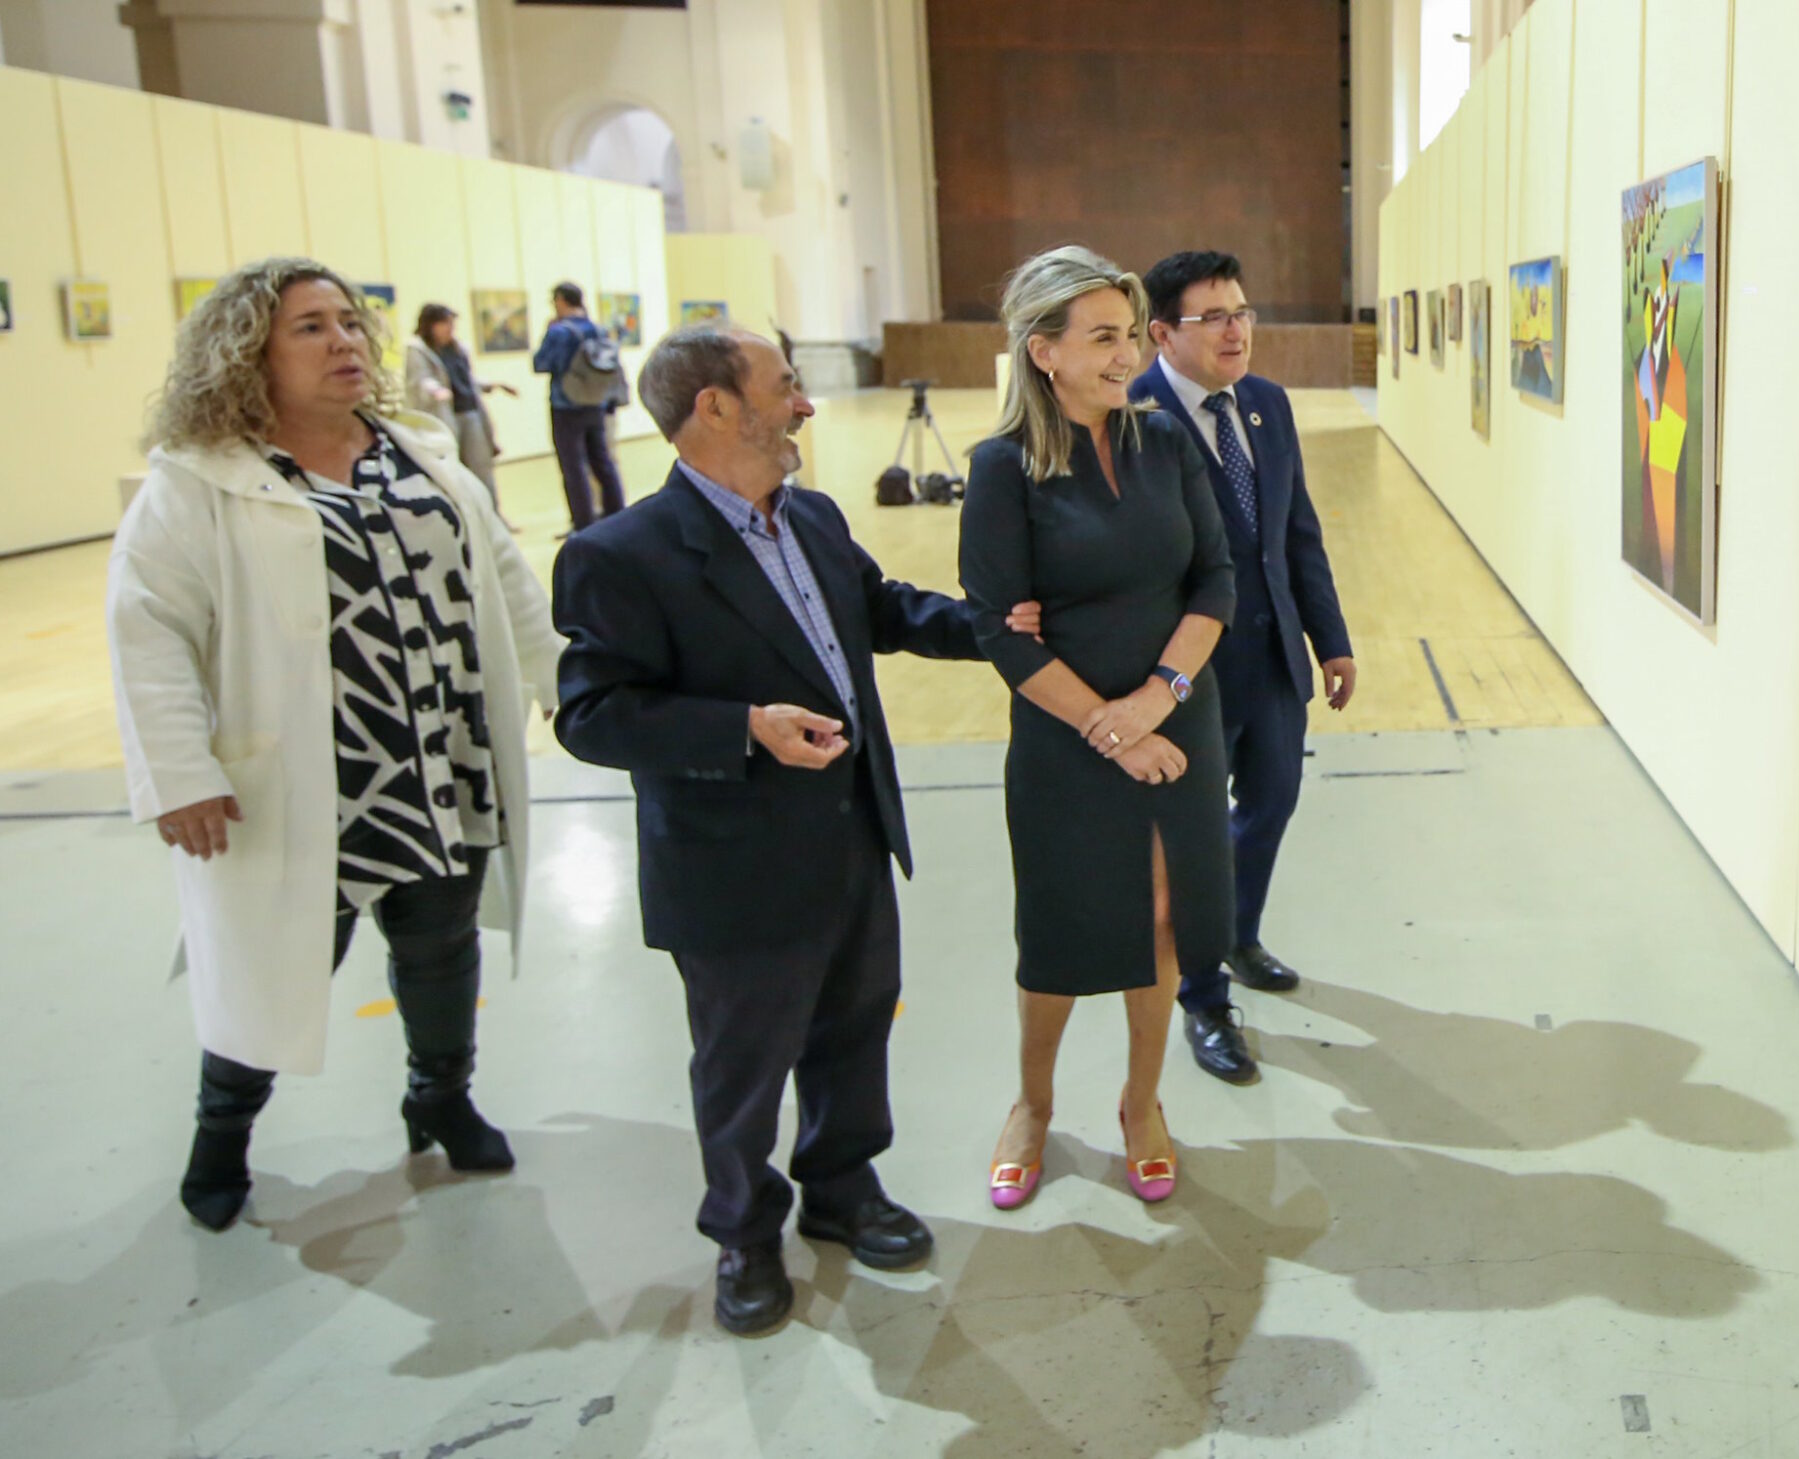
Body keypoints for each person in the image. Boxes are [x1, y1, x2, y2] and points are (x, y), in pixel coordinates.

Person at [550, 323, 1041, 1338]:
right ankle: (743, 1232)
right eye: (785, 386)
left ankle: (841, 1187)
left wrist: (999, 631)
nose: (806, 403)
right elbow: (591, 716)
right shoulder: (619, 554)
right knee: (742, 1064)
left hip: (851, 831)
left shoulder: (810, 517)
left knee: (855, 1026)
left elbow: (883, 611)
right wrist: (743, 730)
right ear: (716, 408)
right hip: (730, 864)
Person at [108, 257, 565, 1231]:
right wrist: (179, 772)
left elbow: (509, 585)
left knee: (440, 944)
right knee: (276, 960)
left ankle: (440, 1093)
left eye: (349, 323)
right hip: (301, 782)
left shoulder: (424, 455)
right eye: (310, 328)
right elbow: (149, 631)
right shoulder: (200, 481)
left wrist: (568, 685)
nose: (344, 341)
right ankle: (221, 1133)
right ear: (247, 357)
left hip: (439, 764)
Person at [960, 246, 1236, 1213]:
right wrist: (1113, 730)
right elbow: (1001, 629)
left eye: (1130, 333)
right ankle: (1032, 1106)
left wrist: (1157, 702)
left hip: (1176, 721)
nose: (1129, 355)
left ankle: (1141, 1104)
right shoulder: (1001, 471)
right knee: (1063, 931)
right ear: (1045, 352)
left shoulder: (1166, 442)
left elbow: (1215, 579)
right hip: (1063, 741)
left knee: (1161, 919)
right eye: (1107, 337)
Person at [1127, 251, 1355, 1084]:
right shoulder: (1131, 416)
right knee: (1190, 836)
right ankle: (1201, 993)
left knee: (1271, 804)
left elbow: (1297, 531)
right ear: (1162, 333)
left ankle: (1236, 931)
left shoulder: (1265, 404)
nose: (1237, 329)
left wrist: (1328, 637)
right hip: (1187, 673)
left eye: (1243, 311)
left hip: (1274, 657)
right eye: (1213, 316)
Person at [404, 302, 518, 518]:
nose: (449, 329)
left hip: (470, 413)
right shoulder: (418, 349)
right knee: (452, 472)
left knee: (482, 469)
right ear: (430, 325)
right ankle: (464, 518)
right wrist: (436, 391)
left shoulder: (458, 348)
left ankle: (493, 518)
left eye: (451, 324)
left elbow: (467, 380)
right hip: (445, 417)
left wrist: (494, 384)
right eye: (444, 324)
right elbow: (419, 381)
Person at [532, 281, 627, 531]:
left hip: (566, 405)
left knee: (573, 466)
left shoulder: (559, 332)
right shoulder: (598, 330)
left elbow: (540, 363)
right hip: (596, 402)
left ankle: (584, 523)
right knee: (603, 462)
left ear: (561, 300)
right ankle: (616, 513)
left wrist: (547, 333)